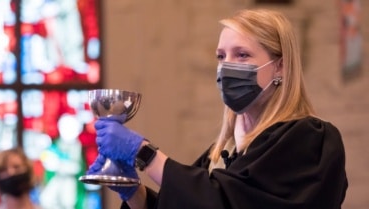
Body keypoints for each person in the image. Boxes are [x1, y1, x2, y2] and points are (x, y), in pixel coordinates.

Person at [88, 9, 348, 209]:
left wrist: (144, 154)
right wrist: (134, 193)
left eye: (242, 55)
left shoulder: (310, 139)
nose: (226, 67)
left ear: (279, 66)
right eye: (221, 57)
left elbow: (225, 203)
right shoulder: (224, 151)